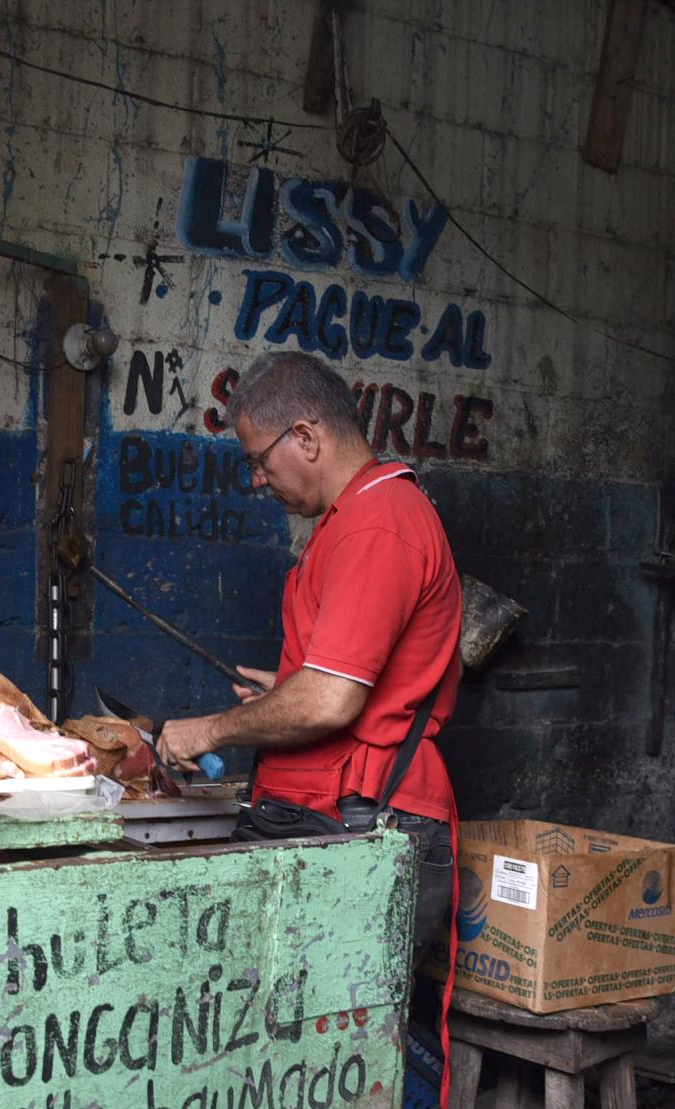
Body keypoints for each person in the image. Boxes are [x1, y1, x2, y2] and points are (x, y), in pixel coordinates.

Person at [155, 350, 462, 951]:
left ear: (305, 436)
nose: (257, 481)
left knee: (335, 1030)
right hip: (336, 810)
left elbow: (330, 701)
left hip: (365, 819)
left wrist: (209, 732)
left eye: (259, 462)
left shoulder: (379, 522)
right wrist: (291, 687)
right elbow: (347, 682)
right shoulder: (350, 519)